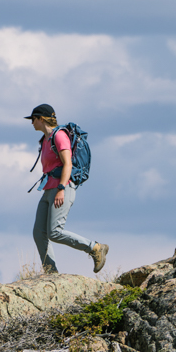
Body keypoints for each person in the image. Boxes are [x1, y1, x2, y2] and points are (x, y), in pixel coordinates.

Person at [26, 103, 108, 274]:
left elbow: (68, 163)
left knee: (55, 231)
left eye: (33, 119)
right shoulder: (46, 139)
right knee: (39, 233)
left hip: (62, 187)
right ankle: (51, 272)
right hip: (49, 189)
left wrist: (62, 188)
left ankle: (95, 247)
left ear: (41, 118)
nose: (31, 122)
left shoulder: (60, 136)